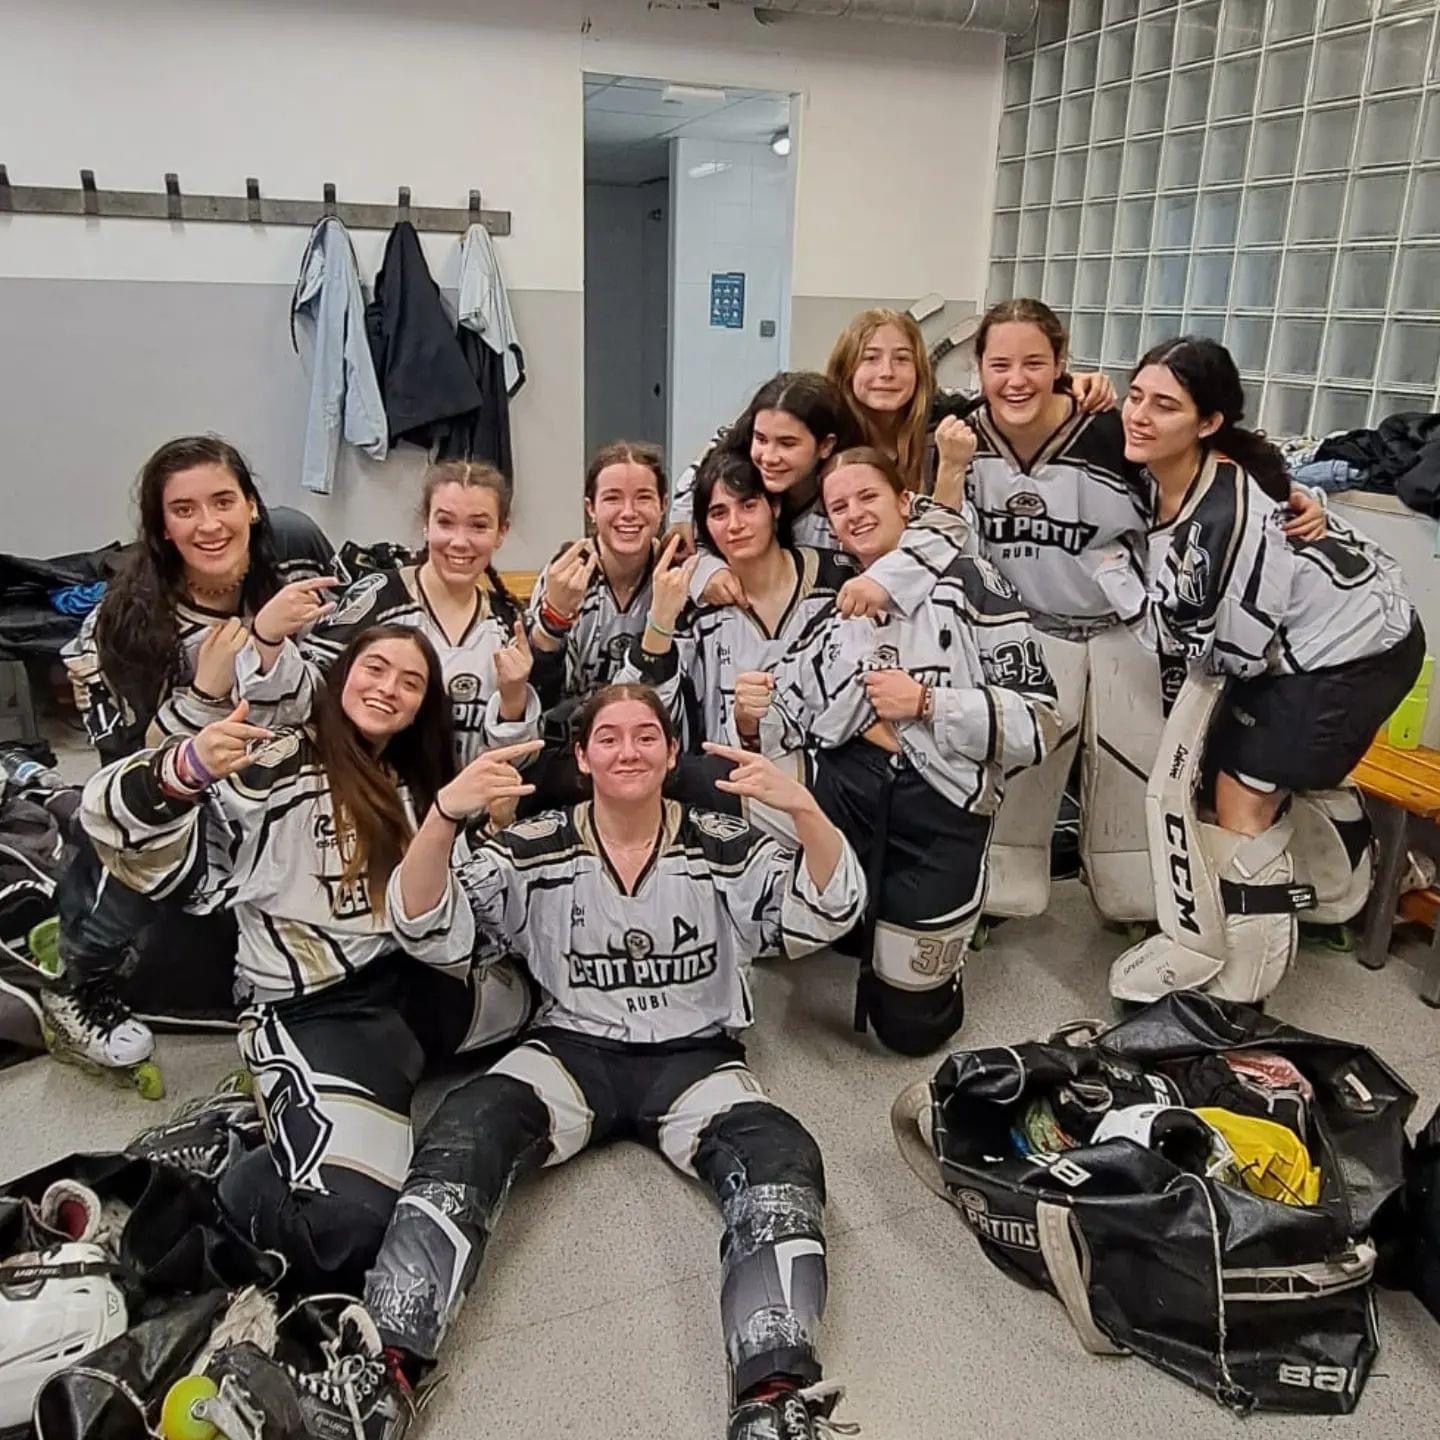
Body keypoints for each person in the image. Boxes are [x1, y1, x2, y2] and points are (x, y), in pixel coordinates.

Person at [353, 684, 866, 1440]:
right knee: (465, 1126)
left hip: (696, 1058)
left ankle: (774, 1392)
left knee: (782, 1158)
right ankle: (386, 1364)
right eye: (610, 739)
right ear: (585, 758)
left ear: (669, 752)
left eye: (646, 737)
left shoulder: (725, 839)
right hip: (572, 1049)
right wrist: (442, 817)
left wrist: (806, 812)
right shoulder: (537, 843)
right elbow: (430, 927)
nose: (629, 751)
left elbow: (827, 909)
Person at [78, 626, 536, 1290]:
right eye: (375, 668)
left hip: (412, 982)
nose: (389, 688)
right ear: (342, 673)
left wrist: (456, 824)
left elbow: (439, 933)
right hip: (316, 1011)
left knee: (553, 1001)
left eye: (410, 683)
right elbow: (115, 827)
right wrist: (185, 770)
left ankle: (298, 1114)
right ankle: (226, 1159)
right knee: (347, 1229)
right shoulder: (281, 762)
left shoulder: (416, 774)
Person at [928, 300, 1329, 928]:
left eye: (1035, 362)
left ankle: (1143, 907)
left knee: (1130, 783)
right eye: (998, 363)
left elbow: (1215, 465)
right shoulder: (957, 438)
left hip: (1126, 635)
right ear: (976, 367)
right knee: (1019, 777)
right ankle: (998, 899)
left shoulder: (1117, 431)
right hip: (1027, 633)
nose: (1015, 379)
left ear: (1063, 364)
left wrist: (1295, 495)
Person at [1105, 336, 1424, 1006]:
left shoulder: (1225, 516)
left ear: (1209, 422)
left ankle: (1240, 993)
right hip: (1315, 636)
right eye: (1135, 395)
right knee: (1231, 771)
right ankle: (1332, 877)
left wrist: (1117, 582)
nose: (1139, 415)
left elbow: (1207, 646)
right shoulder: (1177, 467)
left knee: (1240, 796)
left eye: (1165, 405)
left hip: (1353, 654)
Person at [46, 436, 340, 1079]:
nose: (208, 525)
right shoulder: (123, 625)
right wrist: (206, 695)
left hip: (285, 796)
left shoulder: (294, 567)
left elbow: (338, 699)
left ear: (254, 507)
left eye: (223, 502)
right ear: (160, 527)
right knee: (129, 824)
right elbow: (129, 785)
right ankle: (77, 982)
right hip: (189, 818)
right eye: (184, 510)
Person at [765, 448, 1061, 1055]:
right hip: (850, 789)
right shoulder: (832, 606)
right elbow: (785, 719)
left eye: (867, 497)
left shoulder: (976, 583)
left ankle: (933, 925)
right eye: (838, 507)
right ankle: (846, 921)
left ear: (907, 503)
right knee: (718, 784)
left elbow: (1041, 724)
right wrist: (754, 712)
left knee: (911, 1032)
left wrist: (927, 702)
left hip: (941, 807)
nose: (854, 514)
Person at [239, 458, 540, 769]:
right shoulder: (377, 596)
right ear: (426, 524)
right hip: (374, 800)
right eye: (445, 523)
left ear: (501, 532)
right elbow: (300, 703)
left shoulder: (507, 622)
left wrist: (514, 701)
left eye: (478, 526)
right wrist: (267, 638)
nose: (459, 542)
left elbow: (516, 763)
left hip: (469, 808)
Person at [623, 449, 852, 836]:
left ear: (774, 506)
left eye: (748, 506)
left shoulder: (837, 578)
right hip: (729, 805)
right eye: (718, 513)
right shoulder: (692, 604)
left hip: (830, 791)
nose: (735, 525)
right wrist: (660, 620)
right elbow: (650, 714)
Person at [824, 306, 1118, 494]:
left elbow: (1003, 397)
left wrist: (1068, 382)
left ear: (919, 370)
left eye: (902, 359)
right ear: (846, 367)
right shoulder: (825, 430)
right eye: (870, 359)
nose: (886, 373)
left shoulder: (944, 421)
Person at [527, 441, 671, 705]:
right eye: (612, 498)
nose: (628, 512)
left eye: (643, 497)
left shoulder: (674, 577)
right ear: (591, 508)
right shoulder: (564, 575)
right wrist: (552, 622)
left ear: (663, 505)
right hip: (573, 737)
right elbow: (539, 696)